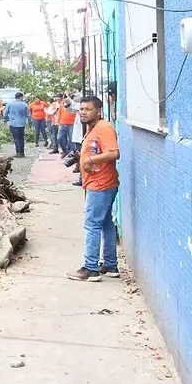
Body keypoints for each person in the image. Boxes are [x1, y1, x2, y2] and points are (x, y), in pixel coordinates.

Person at [67, 96, 120, 282]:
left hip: (101, 184)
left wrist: (90, 160)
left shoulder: (104, 127)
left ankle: (90, 268)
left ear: (98, 111)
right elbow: (98, 149)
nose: (83, 112)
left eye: (88, 109)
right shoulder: (93, 128)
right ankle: (110, 264)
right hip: (97, 183)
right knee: (105, 223)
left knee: (92, 225)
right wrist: (81, 156)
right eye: (81, 109)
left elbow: (114, 153)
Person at [2, 92, 31, 157]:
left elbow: (5, 113)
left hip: (13, 124)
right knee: (21, 138)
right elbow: (29, 115)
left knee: (16, 138)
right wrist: (30, 123)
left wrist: (5, 120)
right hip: (22, 124)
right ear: (21, 97)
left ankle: (18, 152)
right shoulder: (25, 104)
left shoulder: (10, 104)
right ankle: (22, 152)